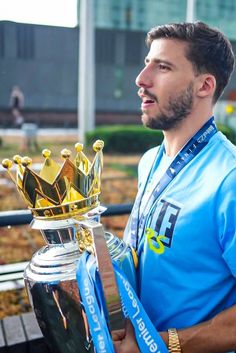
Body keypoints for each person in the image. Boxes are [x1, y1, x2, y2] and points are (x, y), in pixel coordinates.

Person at [113, 22, 236, 353]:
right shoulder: (149, 160)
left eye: (162, 67)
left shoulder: (230, 179)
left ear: (204, 85)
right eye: (146, 63)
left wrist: (162, 344)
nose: (141, 79)